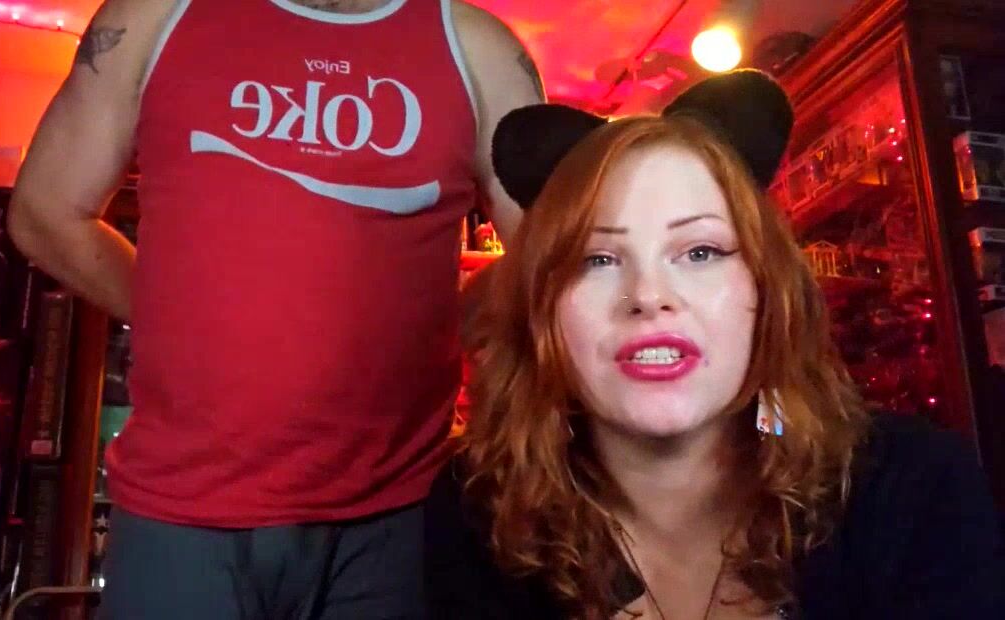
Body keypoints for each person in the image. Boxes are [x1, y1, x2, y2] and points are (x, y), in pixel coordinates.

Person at [6, 0, 544, 617]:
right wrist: (184, 314)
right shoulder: (155, 16)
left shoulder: (477, 48)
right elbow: (44, 214)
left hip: (396, 519)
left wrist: (435, 327)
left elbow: (553, 252)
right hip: (177, 510)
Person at [424, 70, 1005, 619]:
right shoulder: (480, 519)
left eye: (700, 252)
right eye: (595, 259)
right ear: (541, 311)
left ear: (767, 287)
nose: (648, 296)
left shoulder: (914, 488)